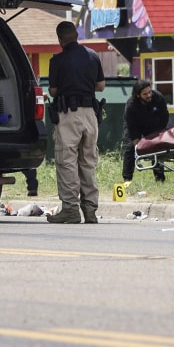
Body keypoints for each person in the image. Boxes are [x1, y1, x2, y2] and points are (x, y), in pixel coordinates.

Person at [46, 21, 105, 224]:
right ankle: (90, 211)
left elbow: (53, 91)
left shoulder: (58, 60)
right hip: (90, 114)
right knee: (88, 162)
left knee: (67, 161)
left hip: (68, 115)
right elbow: (101, 86)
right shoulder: (92, 55)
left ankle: (70, 209)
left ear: (60, 39)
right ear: (77, 34)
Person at [122, 80, 169, 183]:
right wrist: (137, 146)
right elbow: (131, 128)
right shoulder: (131, 106)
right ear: (138, 95)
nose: (149, 95)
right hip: (135, 125)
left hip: (153, 124)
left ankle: (160, 179)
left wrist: (159, 134)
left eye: (150, 92)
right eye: (145, 94)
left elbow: (165, 117)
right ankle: (127, 180)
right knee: (130, 148)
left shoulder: (158, 98)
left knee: (157, 147)